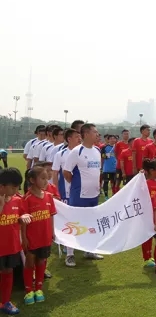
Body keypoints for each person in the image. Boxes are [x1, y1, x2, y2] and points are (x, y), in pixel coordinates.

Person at [62, 123, 104, 266]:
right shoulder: (76, 151)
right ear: (85, 134)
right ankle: (70, 254)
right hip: (79, 195)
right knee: (74, 223)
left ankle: (89, 250)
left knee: (91, 223)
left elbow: (97, 172)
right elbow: (66, 172)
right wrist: (76, 186)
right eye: (95, 132)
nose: (97, 135)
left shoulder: (97, 150)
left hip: (94, 195)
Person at [20, 166, 56, 306]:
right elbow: (23, 222)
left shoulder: (48, 196)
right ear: (32, 180)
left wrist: (52, 232)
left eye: (46, 178)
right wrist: (24, 238)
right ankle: (29, 290)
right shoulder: (26, 199)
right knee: (30, 263)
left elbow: (51, 216)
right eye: (42, 178)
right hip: (31, 239)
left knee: (41, 261)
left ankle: (39, 289)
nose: (46, 181)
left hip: (45, 237)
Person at [0, 168, 25, 316]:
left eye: (17, 187)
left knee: (8, 271)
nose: (16, 190)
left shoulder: (17, 200)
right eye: (13, 187)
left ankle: (6, 301)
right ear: (2, 186)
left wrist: (22, 218)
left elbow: (20, 217)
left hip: (11, 246)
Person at [141, 159, 156, 268]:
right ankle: (146, 257)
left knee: (152, 235)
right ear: (152, 171)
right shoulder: (145, 184)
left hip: (155, 215)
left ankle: (149, 256)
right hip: (147, 215)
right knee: (146, 236)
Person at [113, 129, 130, 193]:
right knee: (117, 181)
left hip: (127, 167)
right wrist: (120, 161)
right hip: (119, 167)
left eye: (127, 134)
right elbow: (115, 154)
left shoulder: (130, 144)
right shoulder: (118, 144)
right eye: (125, 134)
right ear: (122, 135)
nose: (126, 135)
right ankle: (115, 194)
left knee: (127, 183)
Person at [101, 135, 117, 199]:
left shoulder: (117, 147)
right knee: (106, 182)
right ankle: (106, 196)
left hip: (115, 169)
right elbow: (102, 156)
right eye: (111, 139)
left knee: (115, 183)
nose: (112, 140)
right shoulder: (104, 147)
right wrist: (108, 155)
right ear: (108, 140)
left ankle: (114, 195)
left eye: (114, 138)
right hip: (107, 169)